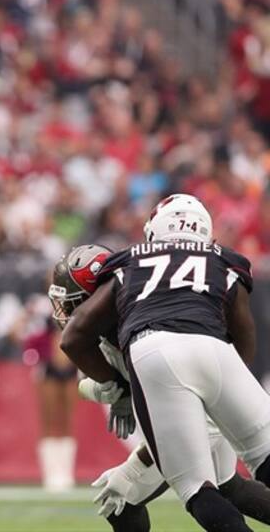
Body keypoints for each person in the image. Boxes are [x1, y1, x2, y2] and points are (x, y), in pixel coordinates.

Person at [61, 194, 270, 532]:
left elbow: (73, 337)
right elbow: (244, 337)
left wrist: (117, 389)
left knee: (196, 489)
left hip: (156, 351)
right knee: (262, 460)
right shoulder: (224, 260)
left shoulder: (130, 262)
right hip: (217, 351)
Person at [14, 293, 81, 493]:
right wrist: (26, 316)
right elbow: (20, 333)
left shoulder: (78, 302)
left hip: (71, 366)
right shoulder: (39, 305)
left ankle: (66, 473)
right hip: (48, 366)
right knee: (49, 420)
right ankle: (51, 474)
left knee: (67, 420)